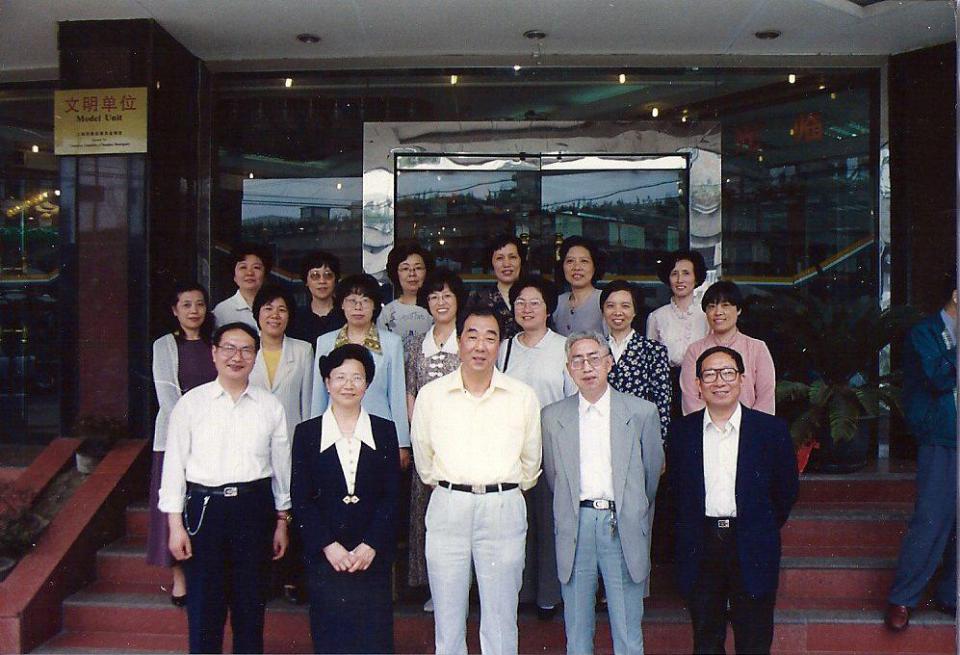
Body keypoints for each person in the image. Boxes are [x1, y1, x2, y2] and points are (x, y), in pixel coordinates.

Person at [410, 307, 542, 655]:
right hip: (448, 505)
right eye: (472, 336)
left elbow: (531, 461)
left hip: (503, 506)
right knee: (448, 614)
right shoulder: (432, 395)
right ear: (458, 341)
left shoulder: (522, 396)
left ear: (500, 345)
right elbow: (424, 458)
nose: (480, 346)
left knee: (501, 615)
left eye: (490, 337)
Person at [158, 322, 291, 654]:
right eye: (229, 348)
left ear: (255, 356)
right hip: (205, 510)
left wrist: (281, 521)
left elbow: (281, 468)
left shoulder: (270, 406)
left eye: (246, 349)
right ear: (214, 353)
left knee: (251, 608)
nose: (237, 356)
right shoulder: (191, 404)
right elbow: (173, 467)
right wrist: (175, 526)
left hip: (254, 508)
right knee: (205, 609)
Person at [669, 346, 798, 655]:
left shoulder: (770, 430)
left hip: (752, 542)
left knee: (754, 639)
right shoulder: (681, 432)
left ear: (742, 379)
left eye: (727, 373)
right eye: (710, 374)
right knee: (706, 639)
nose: (719, 381)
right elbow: (674, 493)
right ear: (698, 384)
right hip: (701, 544)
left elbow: (785, 491)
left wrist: (758, 524)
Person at [541, 331, 663, 655]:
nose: (587, 367)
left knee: (627, 630)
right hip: (576, 524)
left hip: (621, 523)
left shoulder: (641, 412)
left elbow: (650, 477)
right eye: (577, 360)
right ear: (568, 369)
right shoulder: (552, 417)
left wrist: (630, 509)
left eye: (594, 358)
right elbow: (554, 478)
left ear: (609, 363)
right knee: (577, 631)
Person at [291, 344, 400, 653]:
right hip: (326, 555)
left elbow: (392, 496)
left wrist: (371, 545)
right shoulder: (307, 433)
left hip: (371, 554)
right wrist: (329, 546)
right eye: (340, 377)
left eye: (357, 377)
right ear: (327, 383)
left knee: (373, 637)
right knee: (331, 636)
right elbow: (301, 498)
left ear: (367, 384)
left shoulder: (385, 431)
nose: (348, 385)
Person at [498, 274, 576, 619]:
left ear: (548, 309)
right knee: (516, 522)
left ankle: (547, 594)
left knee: (549, 522)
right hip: (511, 448)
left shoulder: (564, 347)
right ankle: (521, 592)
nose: (526, 309)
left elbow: (573, 399)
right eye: (520, 302)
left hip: (552, 445)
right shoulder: (504, 348)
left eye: (535, 303)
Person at [884, 277, 958, 632]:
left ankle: (951, 594)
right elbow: (939, 377)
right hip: (942, 437)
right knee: (931, 516)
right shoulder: (925, 333)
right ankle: (903, 597)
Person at [148, 282, 217, 608]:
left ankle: (205, 575)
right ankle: (179, 579)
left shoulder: (216, 343)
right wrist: (193, 431)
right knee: (173, 507)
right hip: (175, 439)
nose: (194, 311)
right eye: (186, 305)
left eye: (199, 304)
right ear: (175, 310)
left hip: (215, 438)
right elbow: (167, 395)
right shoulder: (165, 345)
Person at [403, 268, 466, 611]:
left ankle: (467, 588)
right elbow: (410, 394)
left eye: (447, 295)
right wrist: (422, 438)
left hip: (464, 445)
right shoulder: (415, 345)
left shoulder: (469, 339)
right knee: (428, 516)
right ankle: (433, 589)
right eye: (434, 296)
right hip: (427, 447)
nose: (441, 302)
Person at [248, 284, 314, 604]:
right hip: (253, 443)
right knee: (260, 509)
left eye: (282, 309)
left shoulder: (303, 350)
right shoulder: (246, 349)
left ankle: (291, 577)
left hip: (292, 441)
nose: (275, 315)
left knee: (294, 511)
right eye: (268, 308)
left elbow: (308, 402)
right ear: (257, 314)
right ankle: (263, 577)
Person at [311, 273, 410, 468]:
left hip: (379, 431)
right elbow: (318, 395)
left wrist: (401, 443)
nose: (358, 307)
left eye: (365, 301)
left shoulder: (392, 343)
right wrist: (315, 437)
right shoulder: (325, 342)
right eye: (352, 301)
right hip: (335, 432)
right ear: (341, 304)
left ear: (375, 306)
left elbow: (397, 395)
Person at [679, 280, 776, 416]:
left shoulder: (757, 348)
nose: (718, 312)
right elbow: (690, 399)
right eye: (711, 306)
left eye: (725, 305)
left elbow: (766, 397)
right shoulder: (694, 350)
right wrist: (712, 424)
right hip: (705, 426)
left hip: (750, 426)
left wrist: (749, 425)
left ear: (739, 310)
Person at [602, 280, 672, 439]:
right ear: (603, 311)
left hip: (640, 433)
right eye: (610, 306)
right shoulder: (595, 350)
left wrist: (659, 443)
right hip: (602, 432)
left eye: (625, 306)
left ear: (635, 311)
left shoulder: (653, 350)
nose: (617, 312)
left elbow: (662, 403)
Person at [645, 250, 709, 417]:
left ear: (696, 278)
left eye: (686, 273)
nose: (680, 280)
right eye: (674, 274)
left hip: (700, 385)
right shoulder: (656, 317)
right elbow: (651, 360)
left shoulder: (706, 316)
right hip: (666, 385)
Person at [470, 233, 527, 340]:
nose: (506, 264)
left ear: (521, 260)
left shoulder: (534, 297)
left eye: (512, 257)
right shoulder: (479, 299)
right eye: (500, 258)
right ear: (492, 262)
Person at [378, 240, 435, 342]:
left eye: (418, 268)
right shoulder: (387, 313)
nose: (412, 274)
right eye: (405, 269)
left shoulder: (437, 306)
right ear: (395, 273)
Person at [287, 251, 345, 346]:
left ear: (335, 280)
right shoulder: (295, 319)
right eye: (315, 276)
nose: (322, 281)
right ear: (306, 281)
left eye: (328, 275)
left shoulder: (346, 315)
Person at [553, 235, 607, 337]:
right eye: (570, 261)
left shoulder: (605, 300)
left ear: (595, 266)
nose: (577, 267)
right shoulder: (557, 302)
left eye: (584, 261)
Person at [212, 243, 272, 330]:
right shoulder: (223, 310)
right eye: (243, 267)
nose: (249, 273)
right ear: (234, 276)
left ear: (265, 275)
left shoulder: (276, 307)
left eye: (256, 267)